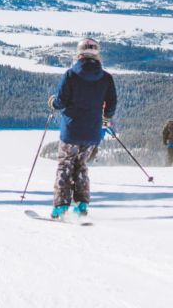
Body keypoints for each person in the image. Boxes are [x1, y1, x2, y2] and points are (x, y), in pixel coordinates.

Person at [47, 37, 117, 219]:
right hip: (92, 131)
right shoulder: (106, 78)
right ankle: (82, 204)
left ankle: (61, 207)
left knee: (65, 165)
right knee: (81, 166)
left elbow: (61, 102)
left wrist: (53, 103)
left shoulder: (71, 75)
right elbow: (111, 105)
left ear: (79, 53)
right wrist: (106, 117)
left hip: (71, 130)